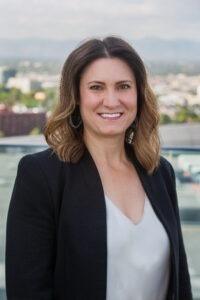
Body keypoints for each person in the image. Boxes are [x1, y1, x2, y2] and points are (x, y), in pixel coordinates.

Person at [6, 36, 192, 300]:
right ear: (76, 97)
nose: (112, 101)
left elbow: (180, 283)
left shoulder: (160, 172)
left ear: (138, 93)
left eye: (123, 86)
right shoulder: (41, 176)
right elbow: (27, 290)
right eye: (96, 87)